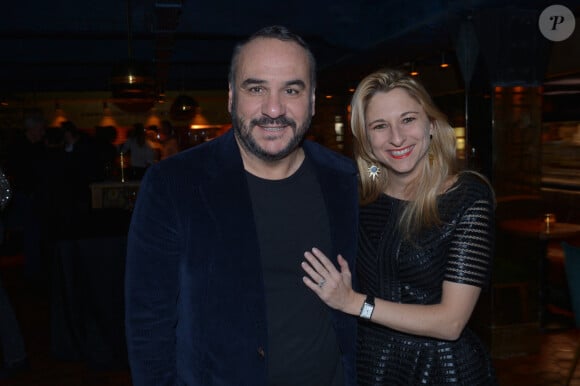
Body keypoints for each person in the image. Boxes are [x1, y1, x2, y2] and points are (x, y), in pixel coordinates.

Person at [125, 25, 358, 385]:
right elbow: (147, 321)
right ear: (232, 97)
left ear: (312, 100)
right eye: (256, 88)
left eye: (291, 89)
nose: (274, 108)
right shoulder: (173, 184)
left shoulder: (345, 179)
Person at [301, 68, 497, 385]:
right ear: (365, 140)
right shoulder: (360, 198)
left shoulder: (466, 197)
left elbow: (451, 322)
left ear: (431, 125)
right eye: (380, 126)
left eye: (407, 120)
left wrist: (353, 302)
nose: (396, 137)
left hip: (440, 370)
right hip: (371, 365)